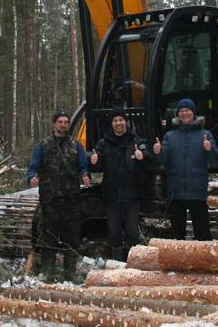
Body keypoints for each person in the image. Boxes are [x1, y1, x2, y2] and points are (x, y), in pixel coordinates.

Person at [27, 111, 90, 280]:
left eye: (66, 122)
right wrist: (32, 177)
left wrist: (85, 175)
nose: (63, 125)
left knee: (72, 237)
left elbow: (83, 165)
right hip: (50, 200)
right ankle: (48, 273)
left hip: (71, 199)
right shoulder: (43, 145)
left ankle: (70, 274)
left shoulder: (75, 145)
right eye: (60, 122)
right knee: (49, 237)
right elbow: (33, 166)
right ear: (54, 124)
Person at [153, 98, 218, 240]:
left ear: (193, 113)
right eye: (181, 111)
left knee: (202, 231)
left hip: (197, 190)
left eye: (187, 110)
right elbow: (163, 160)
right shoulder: (170, 136)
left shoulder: (205, 134)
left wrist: (209, 149)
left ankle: (204, 259)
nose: (184, 113)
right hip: (176, 191)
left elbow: (214, 158)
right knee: (177, 233)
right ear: (178, 114)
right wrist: (158, 152)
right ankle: (178, 261)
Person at [90, 108, 149, 261]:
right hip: (112, 194)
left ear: (126, 122)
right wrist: (94, 162)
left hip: (132, 194)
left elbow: (148, 158)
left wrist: (143, 156)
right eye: (115, 120)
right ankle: (117, 265)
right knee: (114, 233)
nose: (118, 123)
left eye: (121, 120)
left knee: (131, 232)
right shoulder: (104, 143)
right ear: (112, 124)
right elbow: (97, 164)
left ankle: (133, 264)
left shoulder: (136, 141)